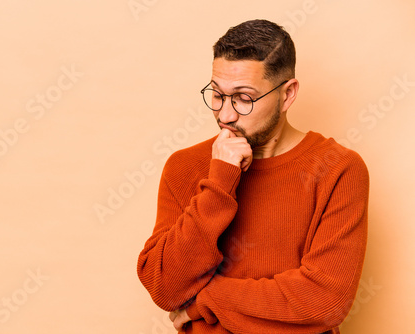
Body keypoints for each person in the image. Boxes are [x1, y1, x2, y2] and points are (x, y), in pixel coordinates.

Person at [137, 19, 369, 334]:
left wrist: (202, 300)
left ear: (287, 95)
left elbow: (325, 302)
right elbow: (165, 287)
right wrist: (219, 183)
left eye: (244, 98)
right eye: (217, 94)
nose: (225, 115)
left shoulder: (338, 169)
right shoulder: (184, 166)